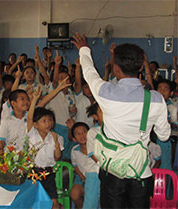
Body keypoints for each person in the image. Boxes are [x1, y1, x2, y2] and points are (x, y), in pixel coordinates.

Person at [72, 33, 170, 208]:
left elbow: (89, 71)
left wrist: (84, 49)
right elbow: (164, 136)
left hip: (112, 174)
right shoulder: (155, 99)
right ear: (140, 66)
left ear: (116, 69)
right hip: (141, 174)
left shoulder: (105, 92)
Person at [27, 88, 64, 209]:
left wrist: (56, 144)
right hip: (33, 172)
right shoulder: (31, 134)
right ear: (35, 124)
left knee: (53, 202)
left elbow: (57, 157)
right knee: (34, 201)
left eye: (50, 120)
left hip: (48, 173)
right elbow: (29, 118)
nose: (48, 123)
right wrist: (34, 100)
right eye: (44, 121)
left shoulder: (56, 137)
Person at [156, 79, 176, 170]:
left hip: (165, 141)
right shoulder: (152, 105)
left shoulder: (172, 107)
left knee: (165, 167)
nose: (162, 91)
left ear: (171, 93)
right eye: (159, 88)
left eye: (166, 89)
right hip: (152, 140)